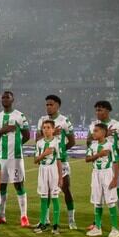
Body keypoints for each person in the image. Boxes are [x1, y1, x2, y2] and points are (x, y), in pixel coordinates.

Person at [0, 91, 30, 227]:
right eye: (3, 97)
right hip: (1, 157)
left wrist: (17, 145)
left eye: (7, 97)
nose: (5, 99)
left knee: (19, 185)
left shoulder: (19, 116)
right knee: (2, 186)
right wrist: (5, 130)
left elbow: (27, 135)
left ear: (13, 99)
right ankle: (2, 216)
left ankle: (24, 217)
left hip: (16, 158)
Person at [37, 94, 77, 229]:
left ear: (57, 105)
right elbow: (37, 139)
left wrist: (60, 151)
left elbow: (72, 141)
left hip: (61, 161)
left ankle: (71, 220)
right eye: (47, 105)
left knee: (66, 189)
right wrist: (51, 134)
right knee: (46, 191)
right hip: (46, 163)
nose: (48, 107)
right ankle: (45, 220)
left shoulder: (64, 121)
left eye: (51, 104)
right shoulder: (42, 120)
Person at [89, 100, 119, 233]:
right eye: (96, 110)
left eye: (100, 110)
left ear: (107, 111)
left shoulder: (116, 125)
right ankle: (96, 222)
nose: (97, 112)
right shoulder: (93, 125)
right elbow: (89, 141)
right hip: (99, 166)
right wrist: (104, 135)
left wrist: (114, 158)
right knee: (98, 193)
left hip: (112, 166)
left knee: (118, 191)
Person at [85, 122, 119, 237]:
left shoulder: (110, 145)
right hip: (95, 174)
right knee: (97, 201)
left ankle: (115, 229)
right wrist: (99, 154)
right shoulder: (92, 146)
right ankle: (97, 228)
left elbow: (116, 162)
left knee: (110, 201)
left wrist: (115, 178)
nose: (93, 133)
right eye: (93, 131)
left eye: (96, 131)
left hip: (107, 173)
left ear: (103, 132)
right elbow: (87, 159)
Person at [33, 119, 63, 235]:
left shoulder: (57, 142)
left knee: (55, 197)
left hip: (53, 170)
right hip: (42, 170)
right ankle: (43, 223)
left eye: (48, 127)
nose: (46, 130)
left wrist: (60, 177)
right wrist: (44, 154)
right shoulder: (39, 143)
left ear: (53, 129)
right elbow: (35, 160)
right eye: (44, 128)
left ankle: (56, 225)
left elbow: (59, 161)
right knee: (43, 198)